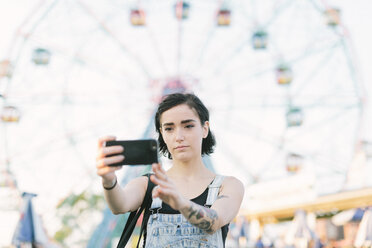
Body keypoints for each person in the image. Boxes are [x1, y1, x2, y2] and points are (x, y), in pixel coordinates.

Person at [96, 93, 244, 247]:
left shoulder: (229, 186)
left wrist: (180, 203)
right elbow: (120, 205)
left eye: (188, 126)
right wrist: (109, 180)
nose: (178, 136)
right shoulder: (148, 184)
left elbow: (214, 221)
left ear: (205, 129)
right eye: (169, 129)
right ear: (162, 134)